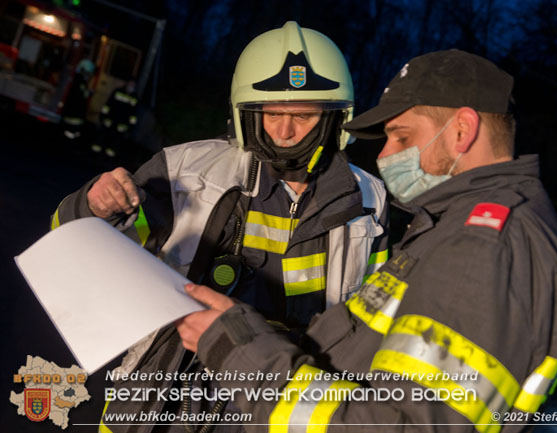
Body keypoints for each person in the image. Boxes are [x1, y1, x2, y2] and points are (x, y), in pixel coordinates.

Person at [173, 49, 557, 433]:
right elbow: (355, 359)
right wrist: (244, 331)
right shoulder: (451, 230)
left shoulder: (485, 248)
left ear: (462, 130)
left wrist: (243, 357)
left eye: (400, 137)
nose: (385, 154)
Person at [51, 21, 388, 432]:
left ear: (336, 117)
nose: (284, 131)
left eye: (302, 115)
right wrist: (94, 206)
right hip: (165, 399)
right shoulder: (184, 171)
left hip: (283, 398)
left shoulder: (369, 201)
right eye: (271, 114)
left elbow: (376, 318)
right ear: (243, 112)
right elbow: (82, 249)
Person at [94, 77, 139, 157]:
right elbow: (109, 104)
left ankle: (110, 153)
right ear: (127, 83)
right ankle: (97, 148)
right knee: (104, 133)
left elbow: (133, 113)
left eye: (133, 85)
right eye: (130, 83)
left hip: (122, 122)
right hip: (111, 118)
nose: (131, 85)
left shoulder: (134, 97)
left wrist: (131, 125)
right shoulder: (118, 91)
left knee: (117, 138)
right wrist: (103, 115)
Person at [61, 59, 94, 141]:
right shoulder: (80, 81)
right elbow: (81, 96)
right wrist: (89, 93)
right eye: (88, 73)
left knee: (70, 134)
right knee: (70, 135)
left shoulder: (77, 80)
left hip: (72, 115)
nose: (89, 75)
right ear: (84, 70)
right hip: (74, 115)